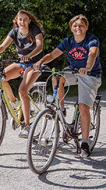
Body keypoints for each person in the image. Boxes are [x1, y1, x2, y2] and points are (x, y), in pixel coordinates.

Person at [33, 14, 102, 157]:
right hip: (74, 72)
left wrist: (87, 68)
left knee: (83, 106)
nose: (78, 28)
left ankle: (84, 143)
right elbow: (52, 55)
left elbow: (92, 53)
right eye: (75, 26)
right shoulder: (68, 41)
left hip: (90, 74)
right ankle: (61, 108)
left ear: (86, 27)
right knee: (57, 77)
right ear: (71, 28)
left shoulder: (91, 39)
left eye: (81, 25)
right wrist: (40, 62)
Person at [0, 11, 46, 138]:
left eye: (24, 19)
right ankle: (15, 103)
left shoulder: (35, 30)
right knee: (0, 77)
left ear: (29, 21)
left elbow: (39, 46)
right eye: (19, 19)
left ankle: (27, 126)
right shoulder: (14, 32)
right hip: (22, 63)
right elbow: (3, 46)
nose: (22, 22)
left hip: (35, 64)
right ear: (16, 21)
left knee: (22, 90)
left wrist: (29, 56)